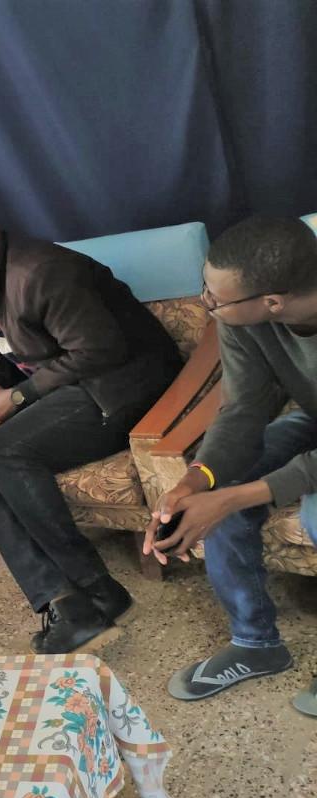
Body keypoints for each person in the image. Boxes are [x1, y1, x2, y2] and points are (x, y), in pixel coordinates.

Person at [0, 208, 182, 654]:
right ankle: (68, 601)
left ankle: (97, 588)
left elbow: (99, 349)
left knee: (2, 452)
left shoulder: (43, 272)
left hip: (124, 386)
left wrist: (19, 397)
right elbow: (4, 349)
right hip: (73, 385)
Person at [143, 216, 316, 717]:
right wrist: (197, 481)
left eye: (215, 299)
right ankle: (256, 644)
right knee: (218, 486)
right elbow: (243, 408)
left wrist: (233, 498)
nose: (206, 303)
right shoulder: (243, 319)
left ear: (273, 302)